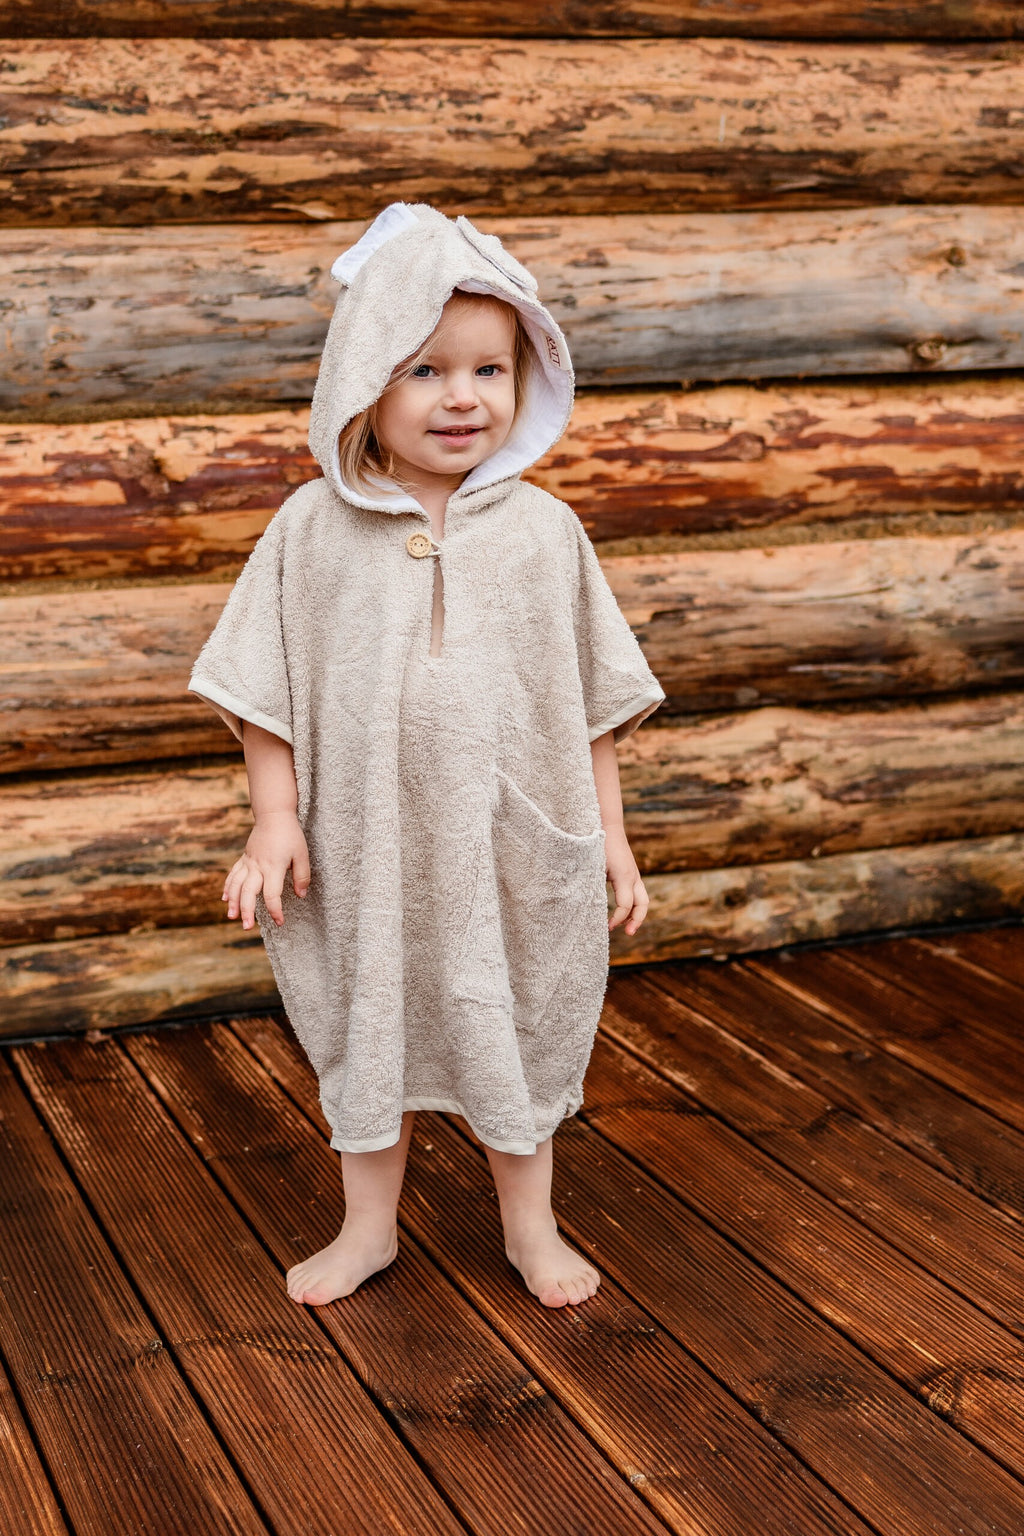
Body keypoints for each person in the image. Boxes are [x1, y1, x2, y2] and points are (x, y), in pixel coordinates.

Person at [189, 203, 665, 1310]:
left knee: (518, 1019)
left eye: (489, 369)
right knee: (372, 1021)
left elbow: (587, 702)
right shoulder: (311, 529)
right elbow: (268, 689)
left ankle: (529, 1226)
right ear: (363, 379)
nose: (463, 397)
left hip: (508, 839)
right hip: (369, 841)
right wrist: (276, 816)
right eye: (424, 369)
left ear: (524, 377)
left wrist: (610, 835)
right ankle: (367, 1229)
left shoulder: (545, 533)